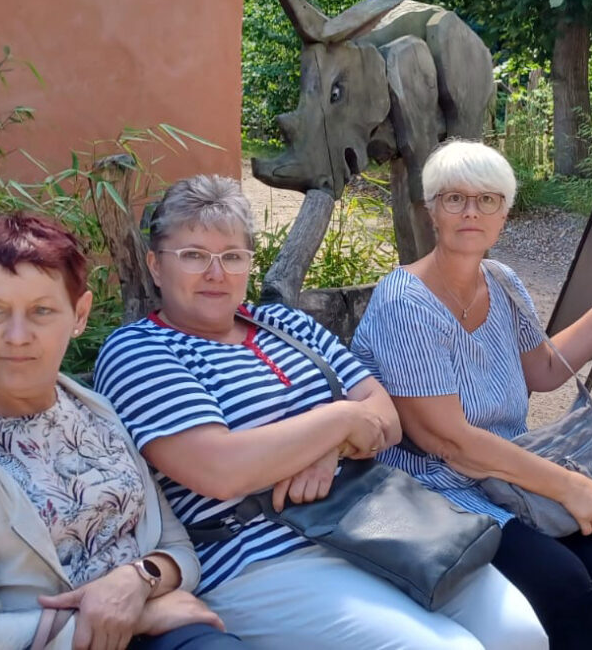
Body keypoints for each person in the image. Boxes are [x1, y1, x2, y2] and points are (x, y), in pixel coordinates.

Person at [93, 174, 547, 650]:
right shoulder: (140, 351)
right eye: (192, 256)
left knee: (520, 634)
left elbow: (386, 416)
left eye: (232, 256)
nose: (216, 273)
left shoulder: (282, 324)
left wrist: (326, 453)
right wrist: (341, 421)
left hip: (372, 519)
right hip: (259, 555)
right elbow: (220, 470)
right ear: (156, 266)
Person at [0, 213, 243, 650]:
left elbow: (176, 547)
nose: (16, 336)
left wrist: (139, 578)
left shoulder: (87, 406)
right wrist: (141, 617)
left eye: (41, 311)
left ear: (80, 313)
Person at [351, 140, 592, 650]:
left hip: (512, 474)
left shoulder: (503, 280)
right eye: (454, 199)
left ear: (505, 213)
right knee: (565, 588)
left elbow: (543, 371)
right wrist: (568, 486)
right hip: (441, 490)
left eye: (488, 199)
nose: (472, 211)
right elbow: (449, 443)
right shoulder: (406, 303)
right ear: (432, 211)